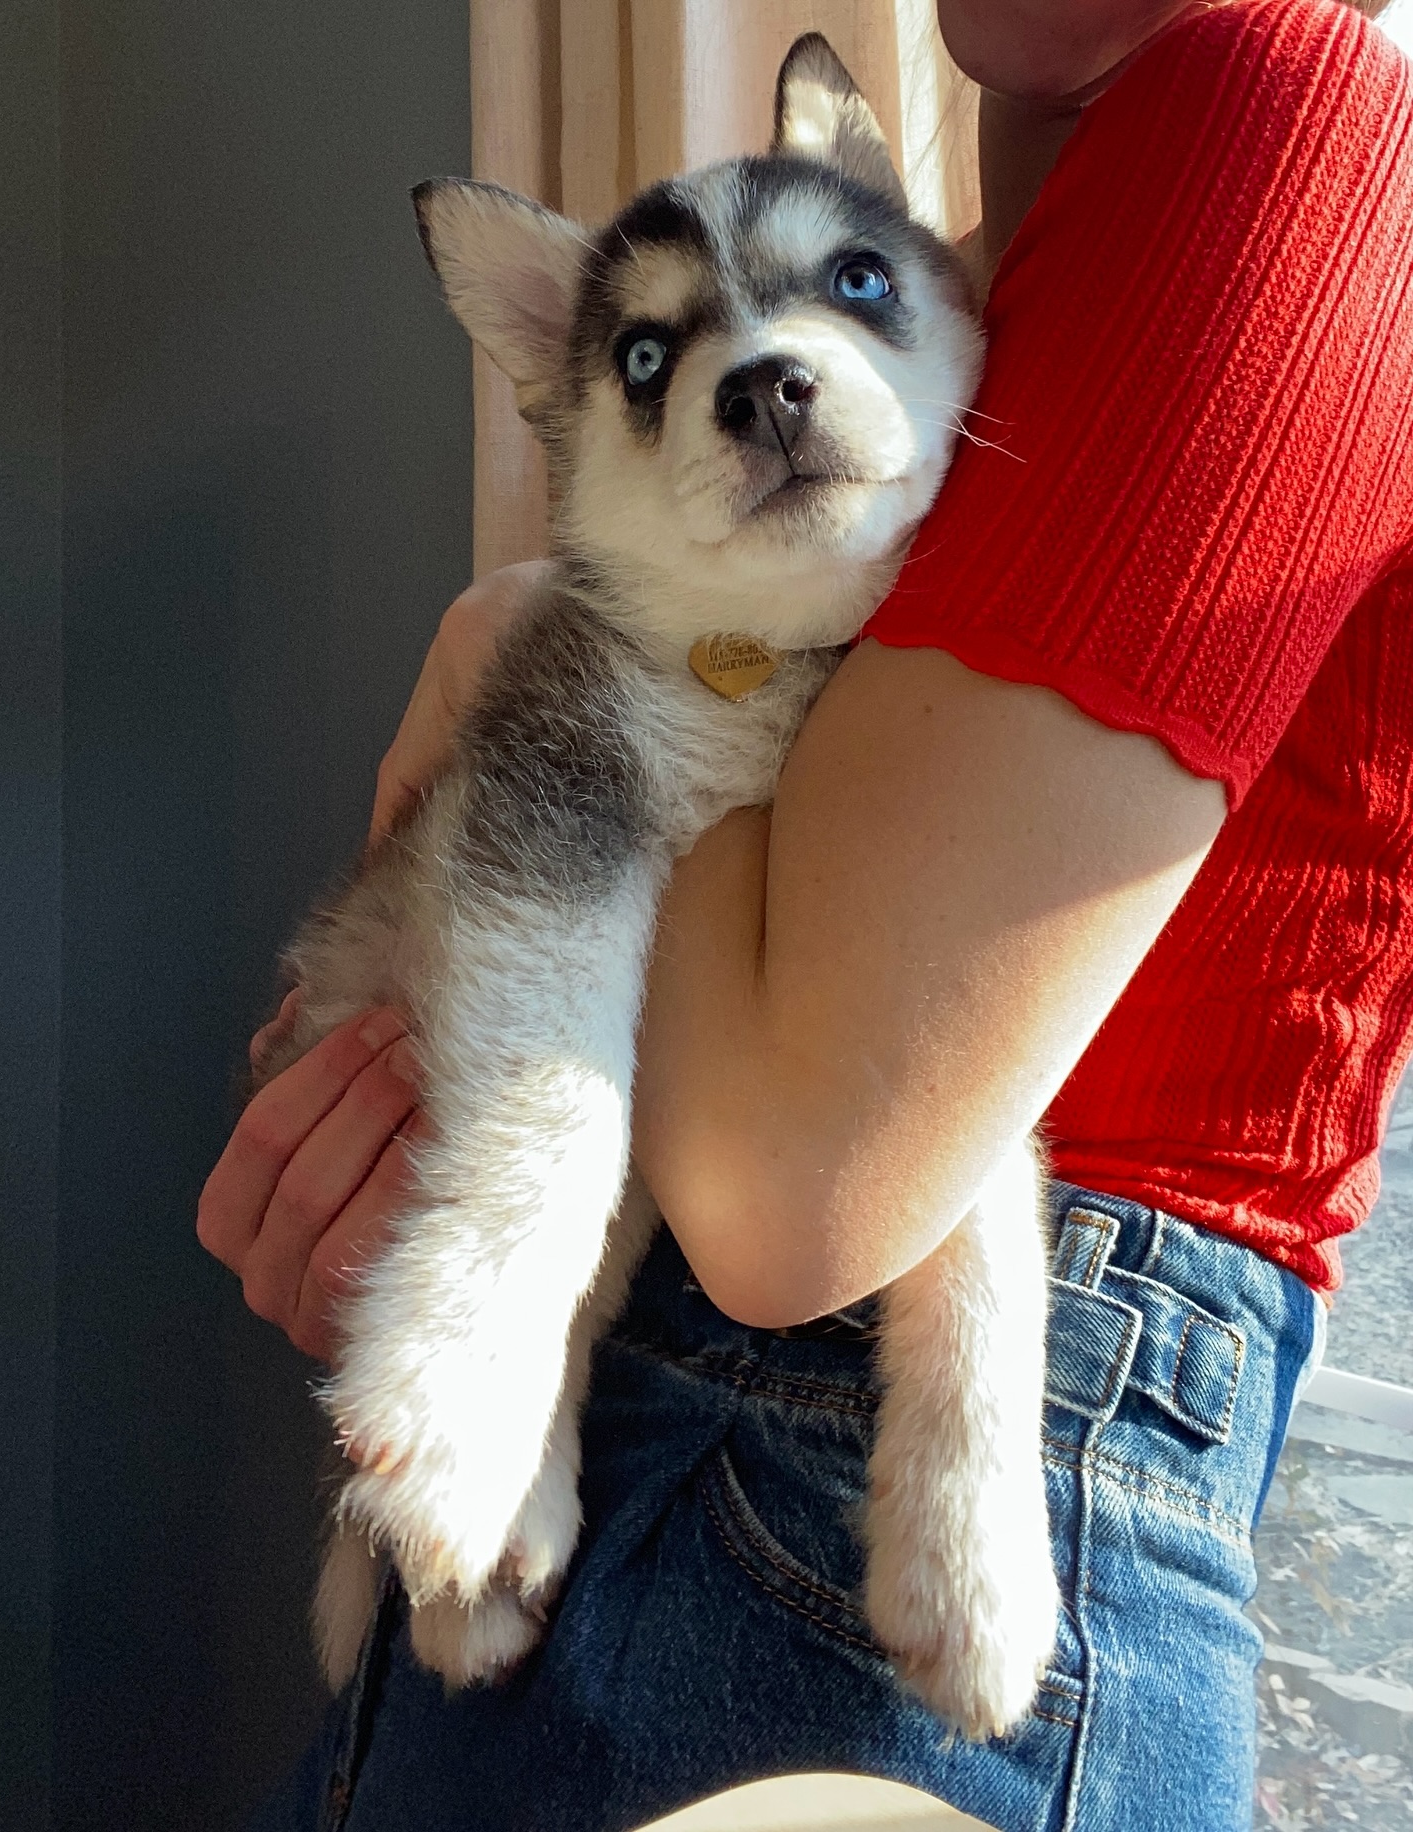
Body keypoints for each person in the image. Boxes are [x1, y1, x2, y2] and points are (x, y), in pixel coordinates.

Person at [197, 2, 1413, 1826]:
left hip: (904, 1487)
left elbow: (834, 1149)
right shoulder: (1018, 270)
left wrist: (527, 670)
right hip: (607, 1462)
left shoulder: (1280, 118)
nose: (763, 371)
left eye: (846, 285)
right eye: (660, 351)